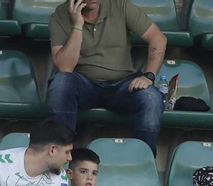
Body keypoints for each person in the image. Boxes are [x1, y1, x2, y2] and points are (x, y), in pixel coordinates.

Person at [46, 0, 166, 150]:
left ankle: (142, 161)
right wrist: (77, 25)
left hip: (123, 85)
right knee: (60, 83)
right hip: (84, 86)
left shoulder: (120, 5)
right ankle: (60, 160)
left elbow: (158, 38)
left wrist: (148, 76)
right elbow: (65, 67)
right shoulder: (59, 15)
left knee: (152, 98)